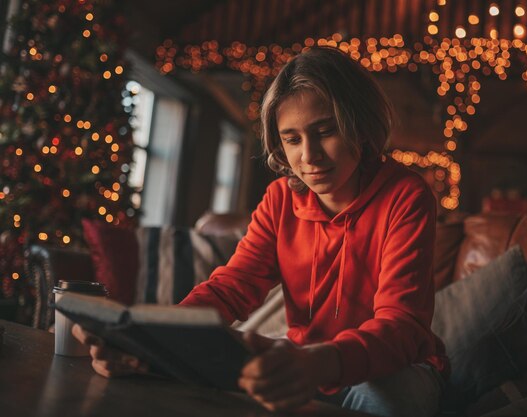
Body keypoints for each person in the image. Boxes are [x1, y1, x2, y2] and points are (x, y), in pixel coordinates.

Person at [73, 46, 448, 417]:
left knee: (390, 397)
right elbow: (232, 287)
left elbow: (401, 326)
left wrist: (318, 362)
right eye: (292, 139)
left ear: (361, 127)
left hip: (391, 369)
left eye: (325, 131)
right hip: (301, 362)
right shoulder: (279, 199)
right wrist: (157, 340)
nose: (309, 156)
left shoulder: (407, 195)